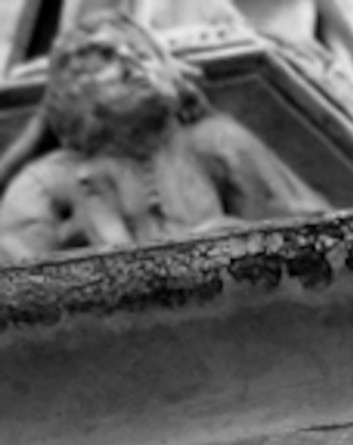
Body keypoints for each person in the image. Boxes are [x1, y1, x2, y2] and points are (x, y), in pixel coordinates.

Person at [0, 11, 322, 263]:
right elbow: (14, 285)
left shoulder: (216, 142)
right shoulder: (47, 179)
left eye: (142, 53)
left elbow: (317, 240)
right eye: (103, 59)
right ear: (68, 93)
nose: (131, 65)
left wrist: (244, 242)